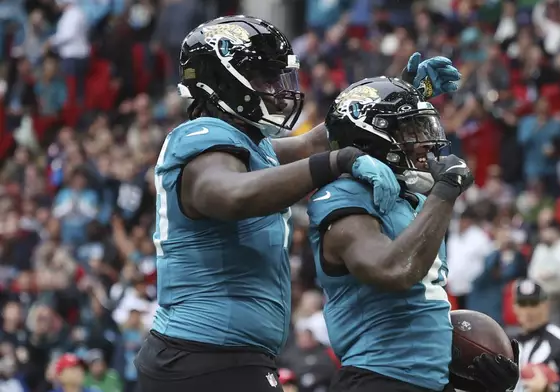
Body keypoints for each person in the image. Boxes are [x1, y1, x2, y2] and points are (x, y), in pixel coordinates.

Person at [134, 15, 461, 392]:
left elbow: (315, 142)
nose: (276, 89)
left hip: (219, 354)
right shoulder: (200, 138)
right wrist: (337, 162)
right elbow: (233, 195)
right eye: (264, 77)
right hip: (205, 354)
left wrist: (397, 98)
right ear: (219, 78)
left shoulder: (248, 145)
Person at [307, 77, 518, 392]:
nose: (426, 142)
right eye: (412, 132)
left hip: (428, 379)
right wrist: (444, 194)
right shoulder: (345, 196)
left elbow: (424, 304)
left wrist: (477, 374)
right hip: (380, 376)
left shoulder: (414, 199)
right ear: (372, 136)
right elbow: (395, 270)